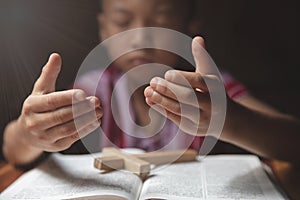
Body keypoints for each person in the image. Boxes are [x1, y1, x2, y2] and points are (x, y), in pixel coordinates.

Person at [2, 0, 299, 169]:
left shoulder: (208, 90)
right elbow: (13, 151)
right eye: (122, 22)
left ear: (188, 27)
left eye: (160, 20)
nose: (141, 37)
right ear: (104, 29)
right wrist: (30, 136)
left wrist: (230, 120)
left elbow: (292, 141)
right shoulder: (92, 90)